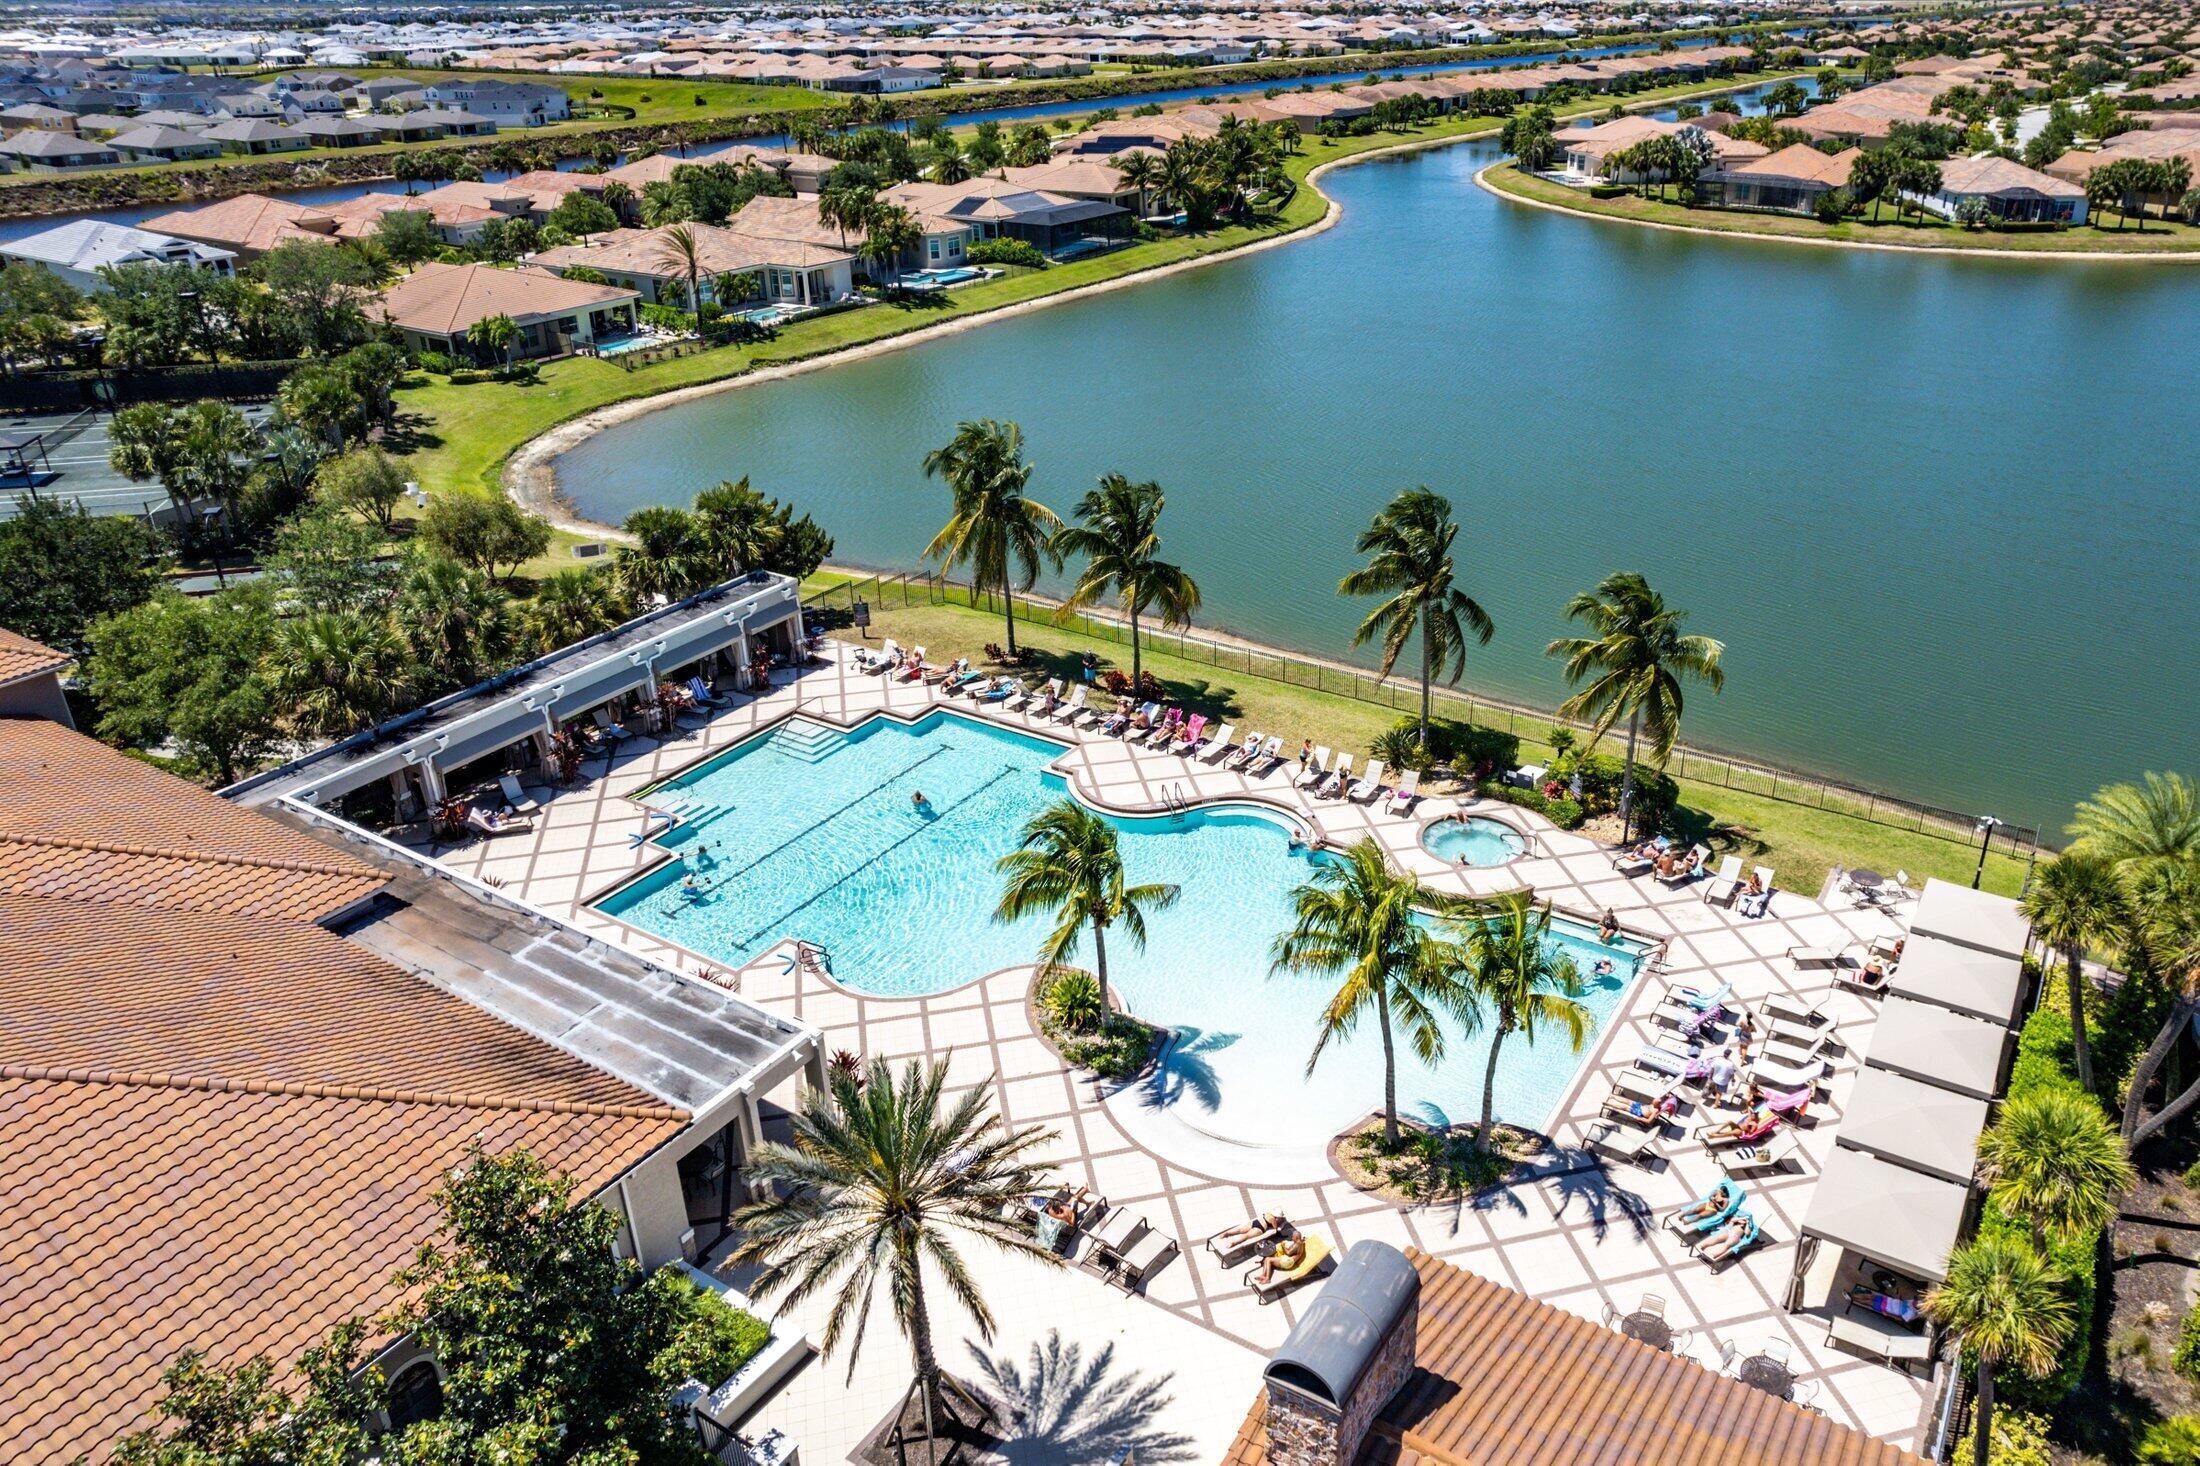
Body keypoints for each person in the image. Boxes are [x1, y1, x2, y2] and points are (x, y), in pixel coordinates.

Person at [1701, 1106, 1774, 1142]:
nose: (1751, 1115)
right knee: (1729, 1121)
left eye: (1753, 1115)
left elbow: (1751, 1133)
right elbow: (1749, 1108)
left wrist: (1748, 1127)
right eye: (1752, 1115)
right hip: (1737, 1126)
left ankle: (1714, 1136)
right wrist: (1753, 1111)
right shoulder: (1749, 1117)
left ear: (1755, 1118)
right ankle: (1716, 1131)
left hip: (1741, 1131)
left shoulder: (1754, 1124)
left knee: (1731, 1132)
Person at [1217, 1212, 1287, 1247]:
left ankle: (1226, 1233)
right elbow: (1275, 1227)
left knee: (1240, 1230)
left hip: (1256, 1222)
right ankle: (1233, 1243)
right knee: (1246, 1236)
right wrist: (1279, 1225)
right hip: (1260, 1227)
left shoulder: (1268, 1213)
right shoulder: (1273, 1219)